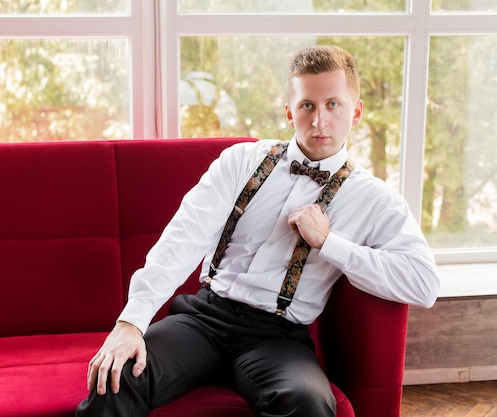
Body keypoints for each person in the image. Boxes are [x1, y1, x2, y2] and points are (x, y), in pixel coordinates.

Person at [76, 45, 440, 417]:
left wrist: (330, 244)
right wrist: (130, 322)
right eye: (307, 106)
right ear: (289, 111)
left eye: (333, 105)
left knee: (309, 403)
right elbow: (183, 238)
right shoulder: (241, 160)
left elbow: (424, 284)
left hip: (278, 339)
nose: (319, 122)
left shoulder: (374, 199)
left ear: (356, 111)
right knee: (117, 374)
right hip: (203, 319)